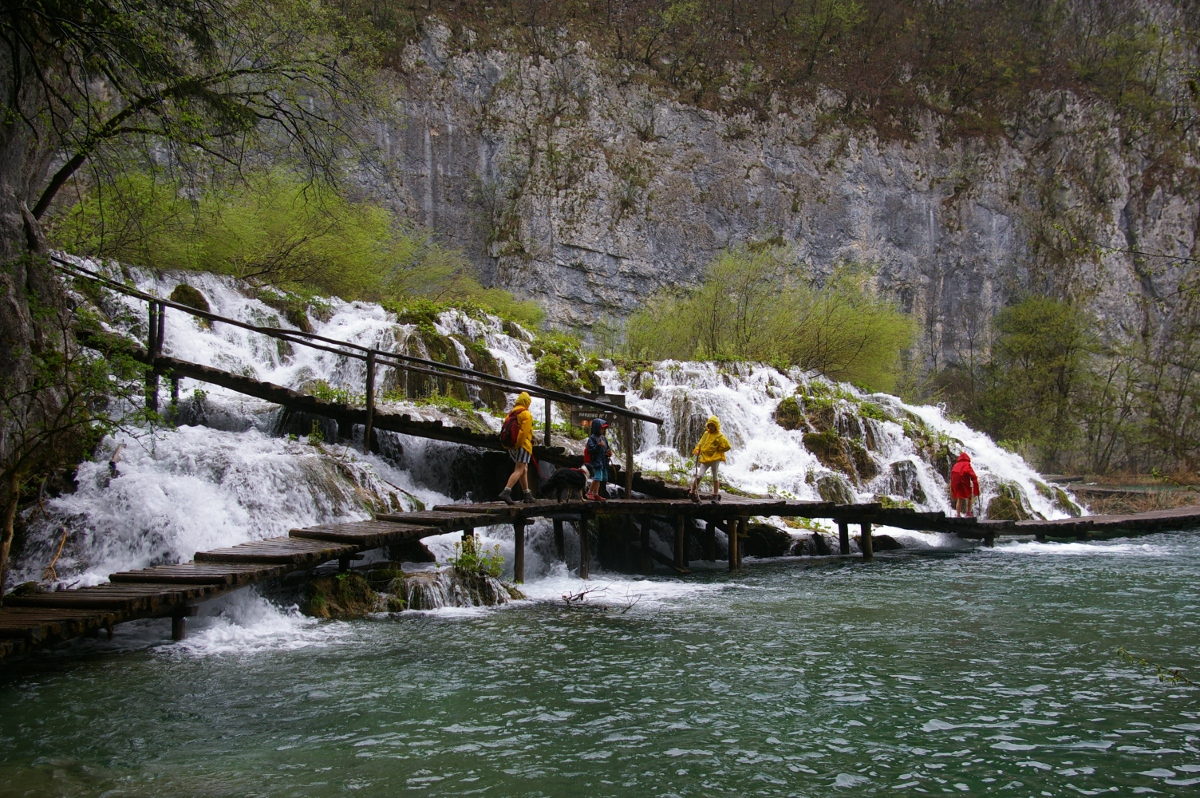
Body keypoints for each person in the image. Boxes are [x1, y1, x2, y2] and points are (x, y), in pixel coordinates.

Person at [499, 392, 535, 505]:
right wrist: (519, 444)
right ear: (527, 402)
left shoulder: (510, 414)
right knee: (519, 470)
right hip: (522, 446)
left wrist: (511, 445)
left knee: (524, 469)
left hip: (511, 446)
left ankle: (527, 494)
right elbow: (523, 432)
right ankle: (506, 491)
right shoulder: (526, 414)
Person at [690, 415, 731, 501]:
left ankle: (715, 495)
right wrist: (697, 450)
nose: (711, 427)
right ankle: (692, 492)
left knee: (715, 476)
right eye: (710, 425)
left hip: (715, 459)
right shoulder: (706, 434)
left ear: (716, 426)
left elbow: (728, 446)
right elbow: (700, 443)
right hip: (705, 458)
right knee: (699, 475)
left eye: (713, 425)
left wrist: (719, 449)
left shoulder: (720, 436)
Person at [585, 418, 612, 501]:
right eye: (601, 428)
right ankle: (589, 492)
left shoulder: (603, 438)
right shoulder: (592, 439)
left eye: (604, 428)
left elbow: (607, 448)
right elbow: (591, 450)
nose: (603, 430)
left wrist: (608, 452)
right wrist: (598, 446)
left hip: (603, 461)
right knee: (597, 478)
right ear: (597, 428)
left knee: (600, 478)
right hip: (596, 461)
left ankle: (596, 494)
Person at [950, 451, 980, 517]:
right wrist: (976, 487)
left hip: (957, 484)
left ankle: (958, 514)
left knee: (959, 498)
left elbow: (952, 475)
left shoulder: (956, 465)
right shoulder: (967, 465)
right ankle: (968, 512)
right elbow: (973, 475)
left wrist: (952, 487)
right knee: (969, 497)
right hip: (964, 483)